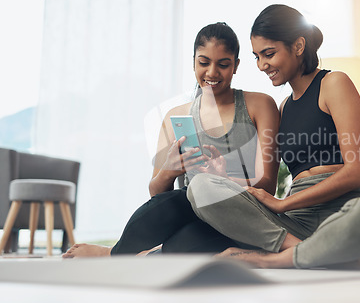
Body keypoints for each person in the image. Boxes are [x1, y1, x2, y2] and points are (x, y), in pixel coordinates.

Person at [187, 5, 360, 269]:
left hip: (347, 215)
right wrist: (225, 180)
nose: (263, 65)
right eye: (257, 57)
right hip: (295, 227)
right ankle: (311, 253)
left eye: (269, 54)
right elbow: (264, 188)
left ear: (298, 46)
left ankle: (271, 260)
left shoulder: (334, 84)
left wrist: (284, 203)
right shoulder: (283, 107)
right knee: (202, 187)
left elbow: (357, 171)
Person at [63, 22, 280, 258]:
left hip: (242, 213)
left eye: (223, 64)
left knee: (183, 245)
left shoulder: (259, 105)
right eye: (203, 62)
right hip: (192, 212)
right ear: (193, 62)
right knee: (175, 202)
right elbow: (157, 196)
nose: (212, 73)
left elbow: (268, 184)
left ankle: (117, 256)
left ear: (236, 66)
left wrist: (224, 181)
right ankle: (125, 254)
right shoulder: (176, 117)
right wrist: (169, 171)